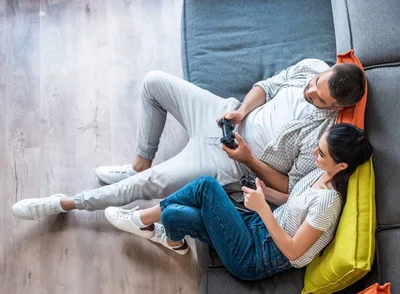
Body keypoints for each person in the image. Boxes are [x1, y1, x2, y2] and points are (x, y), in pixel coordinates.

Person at [11, 61, 366, 222]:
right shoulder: (312, 66)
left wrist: (248, 159)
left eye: (318, 98)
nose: (309, 91)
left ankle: (64, 203)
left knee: (150, 186)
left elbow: (288, 184)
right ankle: (139, 162)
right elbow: (268, 86)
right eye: (316, 82)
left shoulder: (323, 135)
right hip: (223, 114)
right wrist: (241, 111)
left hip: (231, 160)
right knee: (153, 82)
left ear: (335, 107)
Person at [97, 125, 373, 283]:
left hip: (257, 258)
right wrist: (267, 195)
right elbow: (294, 202)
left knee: (206, 186)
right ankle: (173, 243)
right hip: (258, 227)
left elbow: (293, 251)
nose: (315, 153)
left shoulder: (329, 203)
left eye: (321, 152)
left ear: (342, 165)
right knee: (172, 217)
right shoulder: (320, 171)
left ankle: (142, 219)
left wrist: (263, 209)